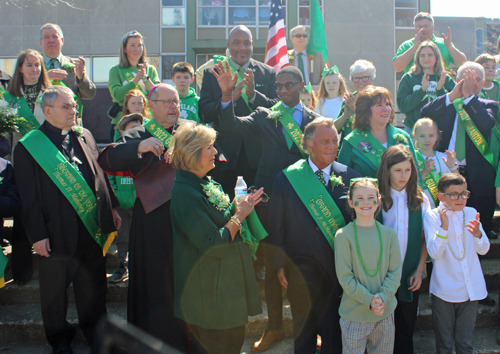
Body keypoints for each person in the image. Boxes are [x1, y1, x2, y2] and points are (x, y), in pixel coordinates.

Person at [208, 63, 321, 351]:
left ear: (302, 86)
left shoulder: (316, 121)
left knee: (307, 264)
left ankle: (310, 327)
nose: (282, 90)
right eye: (278, 86)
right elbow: (231, 126)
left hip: (304, 200)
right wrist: (225, 96)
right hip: (269, 200)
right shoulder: (264, 115)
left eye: (289, 85)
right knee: (273, 266)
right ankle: (274, 328)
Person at [14, 85, 120, 354]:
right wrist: (37, 235)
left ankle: (98, 336)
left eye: (74, 105)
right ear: (47, 111)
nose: (74, 110)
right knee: (54, 294)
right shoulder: (29, 147)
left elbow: (100, 175)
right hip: (55, 232)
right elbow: (28, 198)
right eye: (67, 107)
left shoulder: (83, 135)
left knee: (94, 289)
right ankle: (59, 341)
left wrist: (113, 209)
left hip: (91, 229)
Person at [98, 83, 188, 351]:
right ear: (152, 105)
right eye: (167, 102)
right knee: (156, 284)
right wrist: (140, 146)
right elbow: (107, 159)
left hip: (188, 217)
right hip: (153, 221)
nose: (173, 106)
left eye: (176, 102)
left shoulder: (190, 129)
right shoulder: (138, 132)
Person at [170, 123, 264, 354]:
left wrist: (239, 205)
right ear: (192, 152)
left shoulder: (207, 183)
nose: (215, 153)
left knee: (232, 345)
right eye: (209, 148)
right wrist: (240, 215)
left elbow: (220, 219)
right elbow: (215, 244)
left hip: (226, 288)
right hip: (208, 294)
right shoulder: (185, 193)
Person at [268, 118, 361, 353]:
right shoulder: (287, 178)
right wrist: (279, 266)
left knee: (333, 333)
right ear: (308, 144)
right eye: (325, 141)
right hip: (300, 270)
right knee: (303, 333)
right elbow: (276, 227)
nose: (332, 146)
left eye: (335, 141)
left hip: (338, 270)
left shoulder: (351, 177)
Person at [421, 62, 498, 240]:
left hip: (478, 170)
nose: (472, 83)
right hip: (447, 168)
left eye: (477, 79)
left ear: (483, 82)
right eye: (467, 79)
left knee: (480, 206)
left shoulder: (489, 105)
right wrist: (450, 96)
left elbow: (486, 124)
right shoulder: (447, 104)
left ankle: (485, 226)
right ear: (457, 80)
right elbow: (424, 113)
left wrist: (469, 98)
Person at [199, 25, 279, 196]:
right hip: (223, 159)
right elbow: (204, 113)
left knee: (259, 213)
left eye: (246, 43)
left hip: (259, 159)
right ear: (228, 45)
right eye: (236, 43)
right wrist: (228, 99)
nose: (242, 48)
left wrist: (253, 96)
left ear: (252, 45)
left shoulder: (268, 72)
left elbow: (277, 110)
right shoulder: (213, 73)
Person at [424, 173, 490, 354]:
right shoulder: (432, 217)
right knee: (444, 344)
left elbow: (484, 250)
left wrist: (477, 234)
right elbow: (434, 253)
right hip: (444, 290)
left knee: (465, 343)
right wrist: (444, 228)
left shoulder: (470, 213)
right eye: (454, 194)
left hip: (471, 289)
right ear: (441, 197)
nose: (460, 198)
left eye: (464, 193)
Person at [334, 178, 401, 354]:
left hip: (384, 313)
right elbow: (345, 277)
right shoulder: (343, 236)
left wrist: (382, 299)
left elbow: (394, 273)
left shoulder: (389, 235)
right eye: (359, 198)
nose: (365, 202)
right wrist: (369, 300)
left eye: (371, 197)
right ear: (350, 202)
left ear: (378, 201)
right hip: (354, 316)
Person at [376, 145, 429, 354]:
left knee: (406, 327)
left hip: (409, 274)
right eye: (398, 170)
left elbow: (425, 239)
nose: (403, 175)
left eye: (408, 170)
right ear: (386, 170)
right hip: (380, 275)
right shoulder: (377, 199)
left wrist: (419, 270)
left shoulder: (420, 199)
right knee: (381, 327)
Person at [337, 86, 418, 177]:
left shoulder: (404, 136)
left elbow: (416, 176)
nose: (386, 109)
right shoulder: (352, 141)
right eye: (379, 105)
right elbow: (342, 180)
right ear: (366, 110)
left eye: (387, 104)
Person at [107, 113, 143, 283]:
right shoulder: (115, 152)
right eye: (132, 129)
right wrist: (116, 198)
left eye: (139, 129)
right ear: (122, 131)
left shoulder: (145, 151)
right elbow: (110, 178)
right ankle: (122, 266)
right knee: (123, 237)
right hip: (122, 205)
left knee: (142, 238)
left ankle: (141, 268)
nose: (136, 132)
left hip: (141, 203)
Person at [108, 30, 160, 141]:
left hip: (147, 121)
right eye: (132, 45)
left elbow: (158, 94)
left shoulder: (150, 69)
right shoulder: (116, 70)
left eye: (139, 45)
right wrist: (136, 79)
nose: (137, 49)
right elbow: (117, 95)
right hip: (121, 123)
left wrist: (145, 78)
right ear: (125, 49)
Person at [39, 23, 96, 125]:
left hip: (69, 124)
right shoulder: (33, 65)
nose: (51, 40)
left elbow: (89, 95)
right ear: (40, 42)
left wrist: (81, 77)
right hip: (41, 124)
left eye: (55, 37)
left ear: (62, 40)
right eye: (46, 37)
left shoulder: (74, 65)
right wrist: (44, 78)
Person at [397, 41, 455, 133]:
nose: (426, 58)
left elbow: (454, 107)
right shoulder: (408, 78)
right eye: (422, 55)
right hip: (413, 130)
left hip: (440, 132)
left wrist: (440, 90)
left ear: (436, 58)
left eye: (430, 55)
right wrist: (421, 90)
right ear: (418, 58)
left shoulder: (445, 79)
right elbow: (403, 106)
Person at [392, 12, 466, 73]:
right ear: (415, 28)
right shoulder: (407, 45)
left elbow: (463, 64)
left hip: (441, 88)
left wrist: (450, 47)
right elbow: (397, 67)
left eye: (426, 26)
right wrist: (414, 47)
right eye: (419, 26)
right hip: (415, 89)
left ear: (433, 27)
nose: (423, 29)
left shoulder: (444, 43)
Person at [413, 118, 458, 209]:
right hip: (420, 208)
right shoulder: (411, 158)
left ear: (437, 136)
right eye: (422, 136)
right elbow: (409, 185)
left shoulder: (444, 158)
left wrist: (452, 167)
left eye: (431, 135)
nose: (427, 140)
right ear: (415, 136)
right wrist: (424, 172)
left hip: (442, 209)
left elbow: (458, 184)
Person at [334, 60, 376, 144]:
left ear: (372, 79)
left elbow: (378, 126)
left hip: (370, 150)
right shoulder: (349, 99)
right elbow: (333, 130)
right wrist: (344, 116)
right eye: (356, 78)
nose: (360, 81)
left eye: (365, 77)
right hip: (348, 148)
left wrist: (356, 111)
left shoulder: (379, 98)